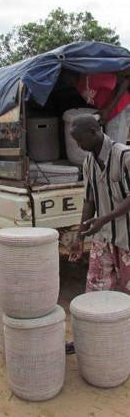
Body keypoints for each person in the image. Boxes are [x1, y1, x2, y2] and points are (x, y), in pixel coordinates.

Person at [69, 115, 130, 293]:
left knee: (125, 299)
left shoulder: (124, 156)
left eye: (80, 139)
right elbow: (89, 201)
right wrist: (79, 237)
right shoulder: (88, 163)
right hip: (103, 238)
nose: (78, 145)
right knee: (95, 292)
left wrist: (104, 219)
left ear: (94, 132)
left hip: (127, 239)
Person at [63, 70, 130, 144]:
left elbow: (124, 81)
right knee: (108, 146)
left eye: (66, 78)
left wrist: (108, 110)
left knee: (115, 146)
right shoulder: (78, 85)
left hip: (119, 108)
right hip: (108, 113)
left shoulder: (91, 76)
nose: (66, 82)